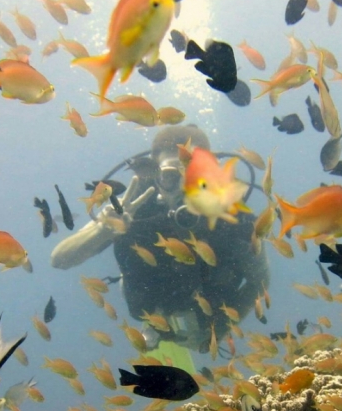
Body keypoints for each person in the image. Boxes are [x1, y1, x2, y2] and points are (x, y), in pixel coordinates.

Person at [50, 125, 270, 353]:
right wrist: (102, 231)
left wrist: (217, 333)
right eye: (172, 176)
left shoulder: (233, 216)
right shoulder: (130, 206)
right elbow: (59, 259)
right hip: (150, 305)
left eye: (194, 175)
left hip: (207, 316)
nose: (186, 189)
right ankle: (155, 325)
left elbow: (260, 280)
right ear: (155, 174)